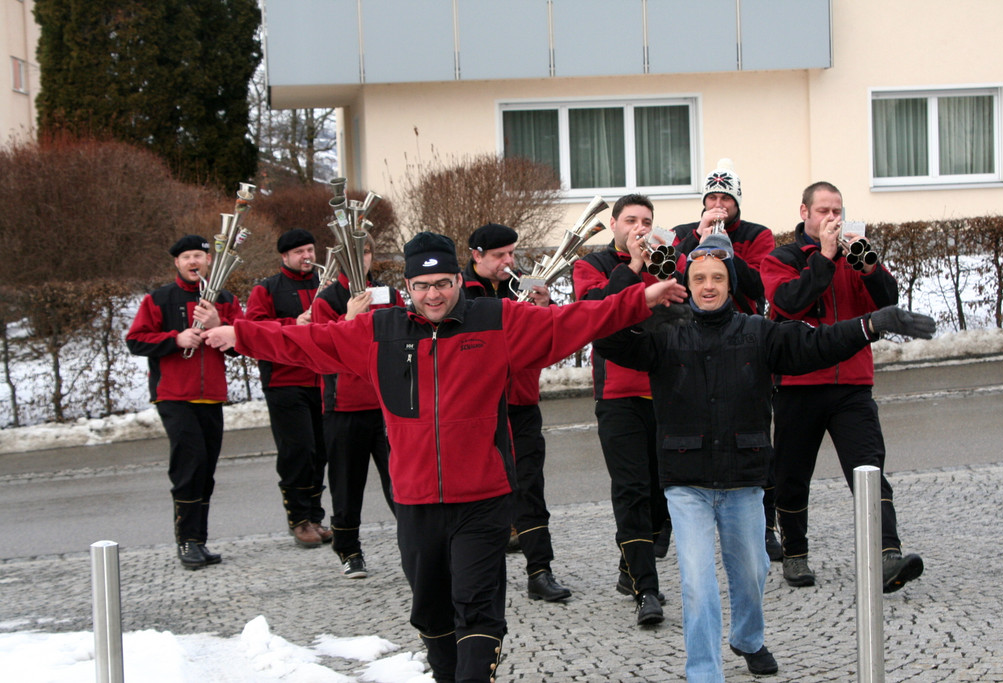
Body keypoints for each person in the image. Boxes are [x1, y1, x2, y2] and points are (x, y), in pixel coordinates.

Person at [201, 231, 686, 683]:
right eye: (422, 286)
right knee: (431, 614)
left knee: (477, 607)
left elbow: (576, 320)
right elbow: (305, 341)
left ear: (458, 279)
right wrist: (240, 336)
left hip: (483, 498)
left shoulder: (496, 320)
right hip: (415, 502)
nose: (433, 295)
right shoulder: (378, 332)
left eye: (443, 284)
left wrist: (641, 298)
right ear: (407, 286)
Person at [594, 232, 936, 682]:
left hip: (744, 479)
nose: (709, 286)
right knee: (697, 583)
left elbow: (818, 344)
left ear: (731, 283)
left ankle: (748, 638)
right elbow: (605, 333)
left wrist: (871, 324)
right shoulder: (663, 334)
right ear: (687, 284)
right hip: (687, 482)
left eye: (718, 277)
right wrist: (637, 291)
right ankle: (704, 673)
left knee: (752, 573)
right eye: (699, 278)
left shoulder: (759, 332)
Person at [760, 181, 926, 593]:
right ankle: (795, 553)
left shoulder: (854, 254)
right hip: (799, 383)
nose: (832, 218)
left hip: (852, 383)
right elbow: (789, 302)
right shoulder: (782, 258)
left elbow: (887, 301)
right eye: (823, 211)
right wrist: (825, 257)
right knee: (792, 474)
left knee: (869, 469)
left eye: (837, 211)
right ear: (804, 213)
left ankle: (887, 554)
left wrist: (869, 267)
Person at [672, 159, 783, 561]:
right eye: (712, 197)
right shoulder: (685, 232)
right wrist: (696, 241)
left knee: (756, 438)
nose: (719, 204)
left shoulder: (758, 235)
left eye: (726, 198)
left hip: (744, 343)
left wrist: (724, 252)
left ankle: (765, 525)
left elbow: (758, 285)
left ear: (737, 202)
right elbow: (672, 277)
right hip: (696, 343)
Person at [572, 194, 671, 626]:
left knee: (662, 494)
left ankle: (630, 566)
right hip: (618, 395)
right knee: (632, 490)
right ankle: (646, 588)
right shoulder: (591, 265)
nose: (639, 228)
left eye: (646, 221)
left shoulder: (665, 258)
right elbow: (597, 313)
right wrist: (632, 266)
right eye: (631, 220)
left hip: (665, 389)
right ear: (614, 225)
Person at [462, 222, 571, 602]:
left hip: (520, 403)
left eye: (511, 253)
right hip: (477, 409)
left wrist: (545, 308)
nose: (509, 262)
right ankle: (477, 577)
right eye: (499, 256)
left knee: (530, 489)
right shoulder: (459, 290)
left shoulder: (523, 283)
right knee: (479, 495)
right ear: (476, 256)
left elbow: (551, 337)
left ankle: (540, 571)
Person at [126, 234, 243, 570]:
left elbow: (242, 343)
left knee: (206, 470)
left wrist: (220, 325)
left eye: (199, 256)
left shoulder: (224, 298)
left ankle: (199, 541)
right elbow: (136, 340)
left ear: (209, 260)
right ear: (177, 263)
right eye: (187, 257)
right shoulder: (159, 298)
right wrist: (175, 339)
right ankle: (187, 541)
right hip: (174, 395)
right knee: (189, 466)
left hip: (212, 396)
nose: (194, 262)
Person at [311, 234, 401, 578]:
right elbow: (324, 351)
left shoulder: (388, 294)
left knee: (401, 481)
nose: (361, 258)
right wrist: (349, 320)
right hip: (344, 407)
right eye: (353, 251)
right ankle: (349, 550)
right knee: (346, 485)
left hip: (386, 405)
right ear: (339, 256)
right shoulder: (327, 299)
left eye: (365, 251)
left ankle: (418, 541)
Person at [245, 229, 330, 548]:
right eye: (299, 252)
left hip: (322, 378)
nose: (307, 256)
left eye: (310, 250)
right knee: (298, 451)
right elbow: (254, 330)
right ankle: (299, 519)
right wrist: (294, 323)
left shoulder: (325, 284)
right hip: (285, 381)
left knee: (320, 451)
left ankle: (315, 516)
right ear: (285, 257)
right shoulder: (267, 289)